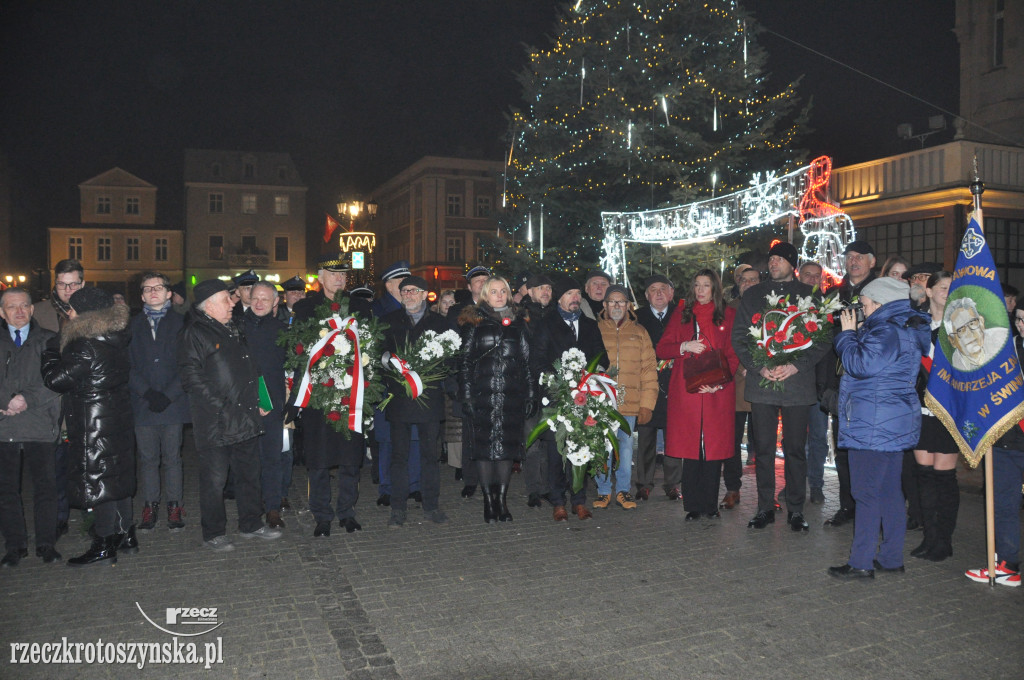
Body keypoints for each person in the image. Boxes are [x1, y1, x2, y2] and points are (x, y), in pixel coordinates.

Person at [828, 276, 930, 579]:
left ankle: (860, 562)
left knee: (866, 492)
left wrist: (847, 335)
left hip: (872, 423)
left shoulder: (885, 330)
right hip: (892, 420)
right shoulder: (905, 328)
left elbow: (860, 366)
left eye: (865, 304)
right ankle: (890, 558)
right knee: (888, 491)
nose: (861, 309)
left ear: (881, 303)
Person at [732, 242, 832, 532]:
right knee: (763, 449)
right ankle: (764, 508)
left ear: (793, 264)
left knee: (795, 450)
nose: (773, 263)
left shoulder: (811, 296)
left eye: (780, 259)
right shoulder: (753, 295)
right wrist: (758, 365)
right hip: (762, 384)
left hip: (797, 385)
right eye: (771, 259)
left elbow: (824, 338)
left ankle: (796, 509)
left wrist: (797, 365)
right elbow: (740, 337)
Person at [178, 279, 280, 551]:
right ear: (208, 305)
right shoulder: (196, 333)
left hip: (246, 415)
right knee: (215, 480)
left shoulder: (233, 328)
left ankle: (251, 524)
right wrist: (223, 404)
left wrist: (261, 398)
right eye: (226, 298)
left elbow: (251, 366)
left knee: (250, 473)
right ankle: (213, 533)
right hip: (216, 421)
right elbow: (191, 377)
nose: (233, 302)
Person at [41, 287, 137, 566]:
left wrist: (51, 349)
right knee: (115, 476)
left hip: (92, 421)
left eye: (71, 309)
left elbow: (56, 380)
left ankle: (105, 543)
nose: (68, 314)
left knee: (99, 480)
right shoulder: (115, 338)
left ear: (86, 314)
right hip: (114, 416)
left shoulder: (85, 345)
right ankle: (126, 534)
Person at [293, 253, 373, 536]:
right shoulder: (305, 308)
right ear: (321, 277)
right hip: (318, 396)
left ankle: (347, 512)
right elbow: (299, 351)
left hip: (352, 394)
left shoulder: (361, 307)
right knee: (318, 460)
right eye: (334, 274)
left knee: (351, 459)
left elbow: (372, 344)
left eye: (343, 275)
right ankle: (322, 515)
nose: (340, 278)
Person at [658, 270, 739, 519]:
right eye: (697, 285)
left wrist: (721, 384)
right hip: (688, 391)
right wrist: (685, 346)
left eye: (706, 285)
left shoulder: (728, 315)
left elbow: (733, 355)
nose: (701, 290)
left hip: (716, 391)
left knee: (712, 451)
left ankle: (710, 506)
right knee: (691, 450)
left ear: (715, 288)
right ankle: (693, 506)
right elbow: (662, 349)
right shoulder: (682, 314)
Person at [530, 275, 606, 521]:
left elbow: (601, 358)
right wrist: (562, 382)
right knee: (556, 451)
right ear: (559, 298)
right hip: (557, 399)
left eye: (577, 294)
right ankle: (557, 501)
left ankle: (579, 500)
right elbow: (537, 361)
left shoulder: (590, 325)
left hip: (585, 399)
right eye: (570, 294)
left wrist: (590, 379)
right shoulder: (546, 324)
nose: (575, 298)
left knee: (581, 448)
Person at [459, 276, 534, 523]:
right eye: (494, 291)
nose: (499, 295)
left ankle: (501, 500)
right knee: (483, 451)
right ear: (485, 295)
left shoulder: (519, 322)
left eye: (503, 291)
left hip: (512, 395)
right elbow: (466, 362)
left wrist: (530, 393)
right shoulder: (474, 322)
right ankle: (488, 502)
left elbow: (526, 362)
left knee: (505, 450)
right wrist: (467, 395)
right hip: (483, 395)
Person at [383, 275, 454, 527]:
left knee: (429, 456)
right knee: (399, 456)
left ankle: (431, 506)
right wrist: (393, 374)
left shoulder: (440, 323)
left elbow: (450, 359)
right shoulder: (389, 322)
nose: (408, 295)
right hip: (400, 399)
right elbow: (381, 356)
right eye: (404, 291)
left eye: (413, 291)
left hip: (429, 400)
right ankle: (398, 508)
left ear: (425, 294)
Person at [0, 288, 62, 566]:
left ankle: (46, 543)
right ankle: (15, 545)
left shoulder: (49, 340)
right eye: (12, 307)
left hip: (39, 424)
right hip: (4, 425)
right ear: (2, 312)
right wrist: (6, 400)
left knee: (46, 488)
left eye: (24, 305)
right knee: (6, 490)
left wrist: (26, 398)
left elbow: (56, 380)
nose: (19, 311)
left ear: (33, 309)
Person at [965, 302, 1024, 586]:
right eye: (1020, 320)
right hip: (1004, 441)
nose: (1022, 326)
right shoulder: (1007, 349)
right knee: (1004, 504)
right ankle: (1008, 564)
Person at [823, 240, 879, 528]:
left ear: (872, 261)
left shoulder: (880, 292)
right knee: (843, 447)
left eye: (859, 257)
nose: (853, 261)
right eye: (849, 257)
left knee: (871, 449)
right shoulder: (835, 294)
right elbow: (821, 338)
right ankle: (848, 505)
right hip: (841, 380)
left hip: (872, 382)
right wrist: (825, 384)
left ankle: (873, 507)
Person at [129, 272, 190, 533]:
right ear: (142, 295)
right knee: (147, 458)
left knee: (173, 457)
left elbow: (189, 364)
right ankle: (150, 504)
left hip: (172, 403)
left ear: (169, 293)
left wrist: (169, 394)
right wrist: (147, 392)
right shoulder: (131, 326)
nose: (153, 291)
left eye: (159, 287)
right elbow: (126, 364)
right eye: (147, 288)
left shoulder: (182, 323)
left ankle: (174, 505)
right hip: (143, 403)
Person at [911, 271, 961, 562]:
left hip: (949, 409)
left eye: (951, 287)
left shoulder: (963, 324)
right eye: (942, 287)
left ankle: (944, 540)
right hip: (920, 407)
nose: (947, 291)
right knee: (925, 476)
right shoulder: (916, 323)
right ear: (928, 291)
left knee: (944, 478)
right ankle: (929, 537)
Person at [34, 257, 84, 538]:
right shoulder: (38, 312)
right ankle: (58, 517)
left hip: (83, 399)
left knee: (85, 463)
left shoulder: (93, 311)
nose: (67, 290)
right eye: (62, 284)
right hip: (50, 400)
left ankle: (92, 519)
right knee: (53, 466)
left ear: (82, 283)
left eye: (73, 284)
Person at [595, 285, 657, 510]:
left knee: (626, 449)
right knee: (602, 448)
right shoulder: (596, 330)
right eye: (612, 302)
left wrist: (647, 404)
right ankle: (603, 490)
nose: (617, 306)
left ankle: (623, 490)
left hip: (630, 404)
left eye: (621, 302)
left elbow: (649, 369)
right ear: (605, 305)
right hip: (601, 403)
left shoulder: (639, 332)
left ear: (629, 305)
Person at [243, 281, 289, 529]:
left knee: (272, 458)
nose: (259, 303)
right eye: (255, 298)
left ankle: (272, 508)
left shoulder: (282, 330)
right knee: (247, 459)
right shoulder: (236, 327)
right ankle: (250, 508)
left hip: (271, 404)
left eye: (265, 299)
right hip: (242, 403)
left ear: (275, 302)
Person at [447, 265, 491, 497]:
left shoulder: (497, 308)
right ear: (469, 286)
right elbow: (450, 347)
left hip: (492, 380)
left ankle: (490, 478)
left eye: (486, 279)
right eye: (477, 280)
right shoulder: (457, 312)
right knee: (469, 434)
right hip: (468, 380)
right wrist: (455, 381)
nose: (482, 284)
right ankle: (470, 479)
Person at [634, 274, 678, 500]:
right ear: (646, 295)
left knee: (675, 438)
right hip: (647, 385)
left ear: (671, 293)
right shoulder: (637, 318)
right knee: (646, 436)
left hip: (675, 385)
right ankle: (643, 483)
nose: (659, 293)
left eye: (664, 288)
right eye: (653, 289)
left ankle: (672, 484)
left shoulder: (682, 316)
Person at [722, 265, 761, 508]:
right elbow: (725, 343)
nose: (748, 283)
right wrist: (738, 366)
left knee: (764, 443)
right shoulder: (729, 310)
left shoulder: (773, 307)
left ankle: (765, 497)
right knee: (732, 441)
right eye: (744, 280)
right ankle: (732, 488)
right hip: (735, 384)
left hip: (762, 383)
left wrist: (756, 366)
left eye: (753, 279)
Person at [521, 274, 554, 507]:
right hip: (528, 387)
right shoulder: (521, 316)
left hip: (552, 388)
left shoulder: (555, 315)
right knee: (531, 441)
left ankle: (549, 487)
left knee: (551, 440)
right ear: (529, 291)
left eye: (549, 288)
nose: (545, 292)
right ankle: (534, 488)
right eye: (540, 287)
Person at [798, 261, 829, 505]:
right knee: (793, 439)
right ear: (799, 275)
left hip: (818, 385)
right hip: (794, 383)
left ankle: (816, 485)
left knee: (818, 436)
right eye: (807, 275)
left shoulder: (827, 307)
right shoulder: (789, 303)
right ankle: (793, 485)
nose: (811, 279)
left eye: (815, 276)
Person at [944, 297, 1009, 371]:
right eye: (961, 330)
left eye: (972, 323)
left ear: (981, 323)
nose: (970, 334)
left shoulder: (1003, 338)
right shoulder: (955, 363)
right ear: (952, 341)